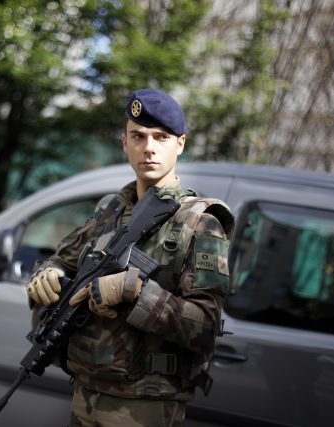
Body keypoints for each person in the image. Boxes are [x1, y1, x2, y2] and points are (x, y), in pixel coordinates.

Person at [26, 88, 235, 426]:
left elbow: (205, 326)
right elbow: (60, 261)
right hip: (86, 392)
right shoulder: (110, 209)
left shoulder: (199, 222)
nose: (149, 147)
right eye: (138, 136)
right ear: (125, 142)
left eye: (161, 137)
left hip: (145, 405)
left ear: (180, 144)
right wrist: (45, 274)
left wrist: (134, 291)